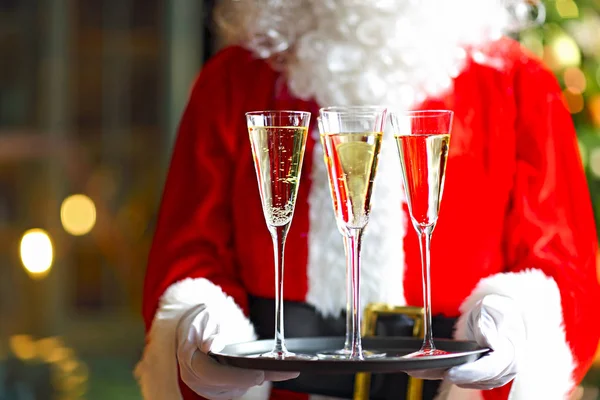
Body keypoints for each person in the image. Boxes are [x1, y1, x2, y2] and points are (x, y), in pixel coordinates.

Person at [134, 0, 600, 399]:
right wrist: (205, 325)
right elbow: (187, 250)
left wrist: (514, 326)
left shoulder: (518, 86)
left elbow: (563, 264)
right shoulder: (233, 81)